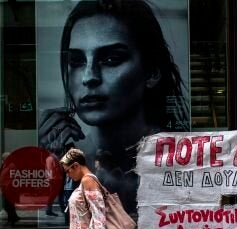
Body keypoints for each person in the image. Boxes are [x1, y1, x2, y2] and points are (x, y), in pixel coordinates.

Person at [38, 0, 189, 214]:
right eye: (77, 61)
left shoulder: (179, 157)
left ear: (151, 72)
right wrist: (46, 164)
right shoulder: (67, 156)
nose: (89, 77)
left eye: (111, 59)